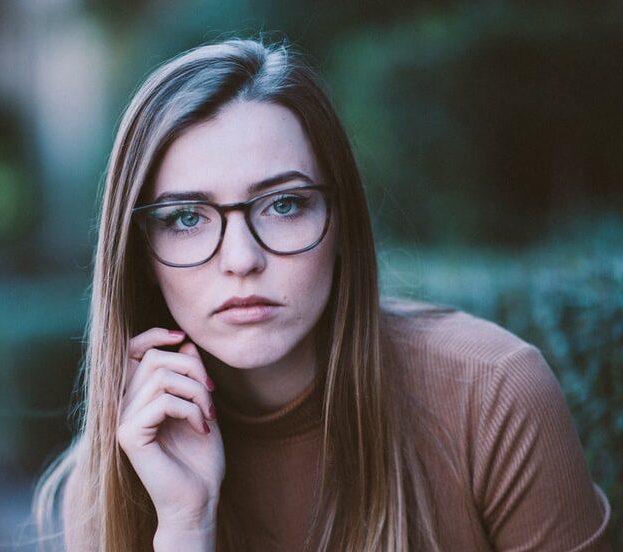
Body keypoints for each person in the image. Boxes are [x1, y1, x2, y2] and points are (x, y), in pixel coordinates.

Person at [32, 37, 611, 551]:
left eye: (284, 205)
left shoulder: (491, 395)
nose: (241, 260)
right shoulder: (117, 470)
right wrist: (186, 524)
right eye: (187, 217)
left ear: (342, 224)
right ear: (140, 257)